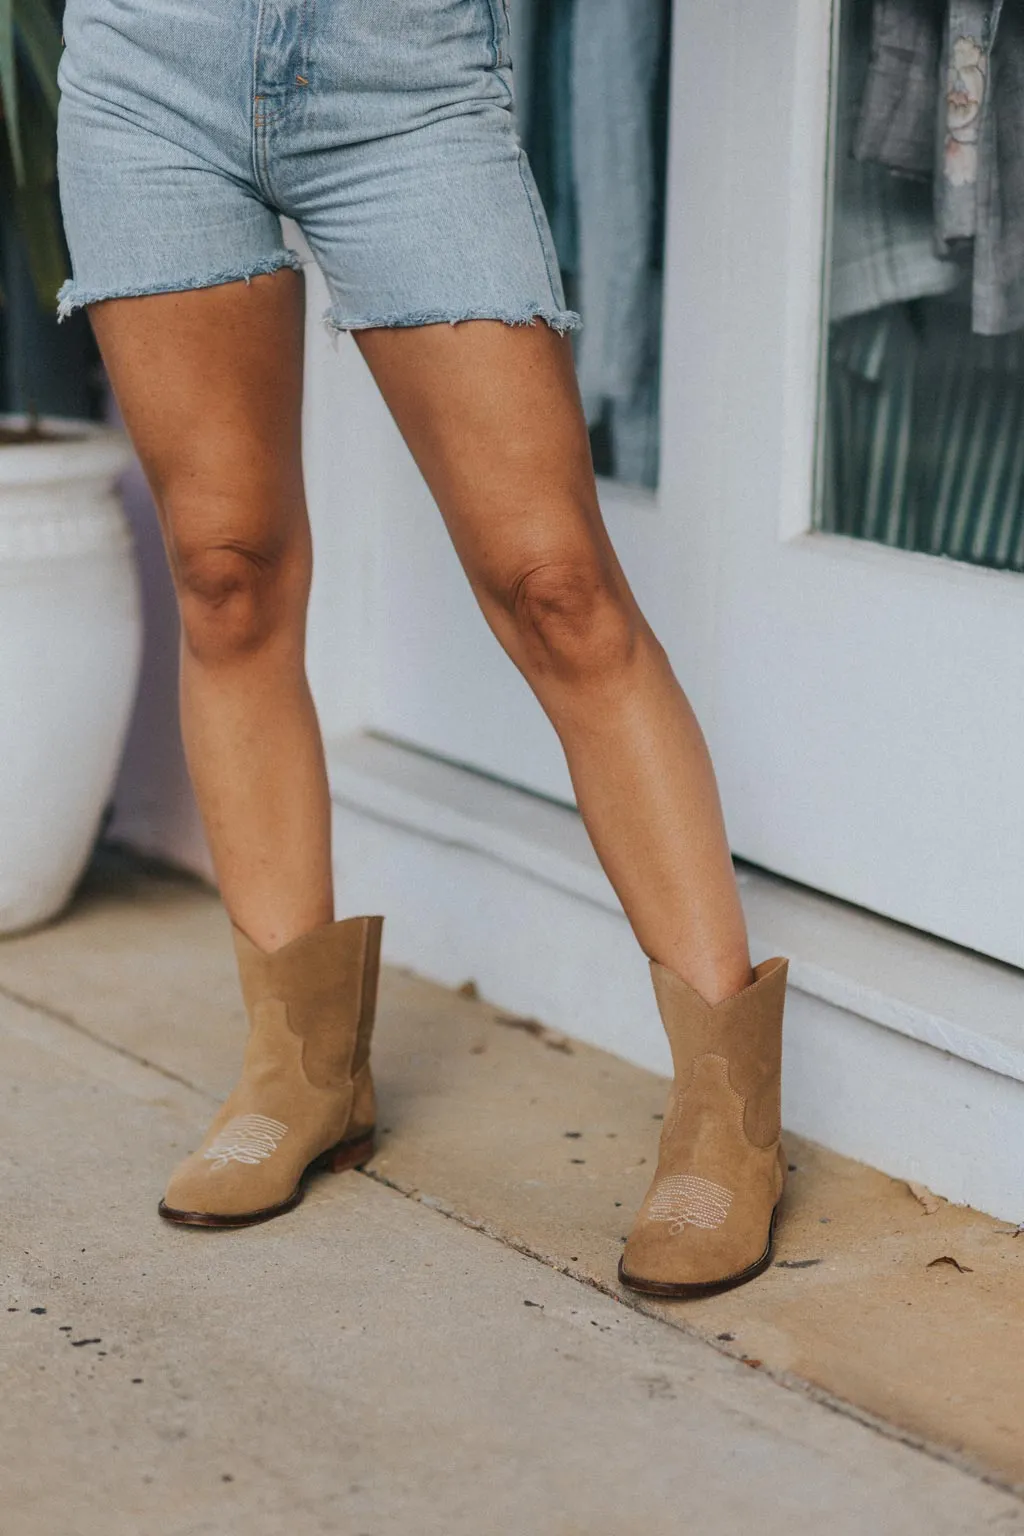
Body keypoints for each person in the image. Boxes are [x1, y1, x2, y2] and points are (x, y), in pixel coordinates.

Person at [55, 0, 788, 1297]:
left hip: (398, 72)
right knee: (226, 573)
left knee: (556, 582)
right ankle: (304, 1071)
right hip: (149, 63)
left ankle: (728, 1117)